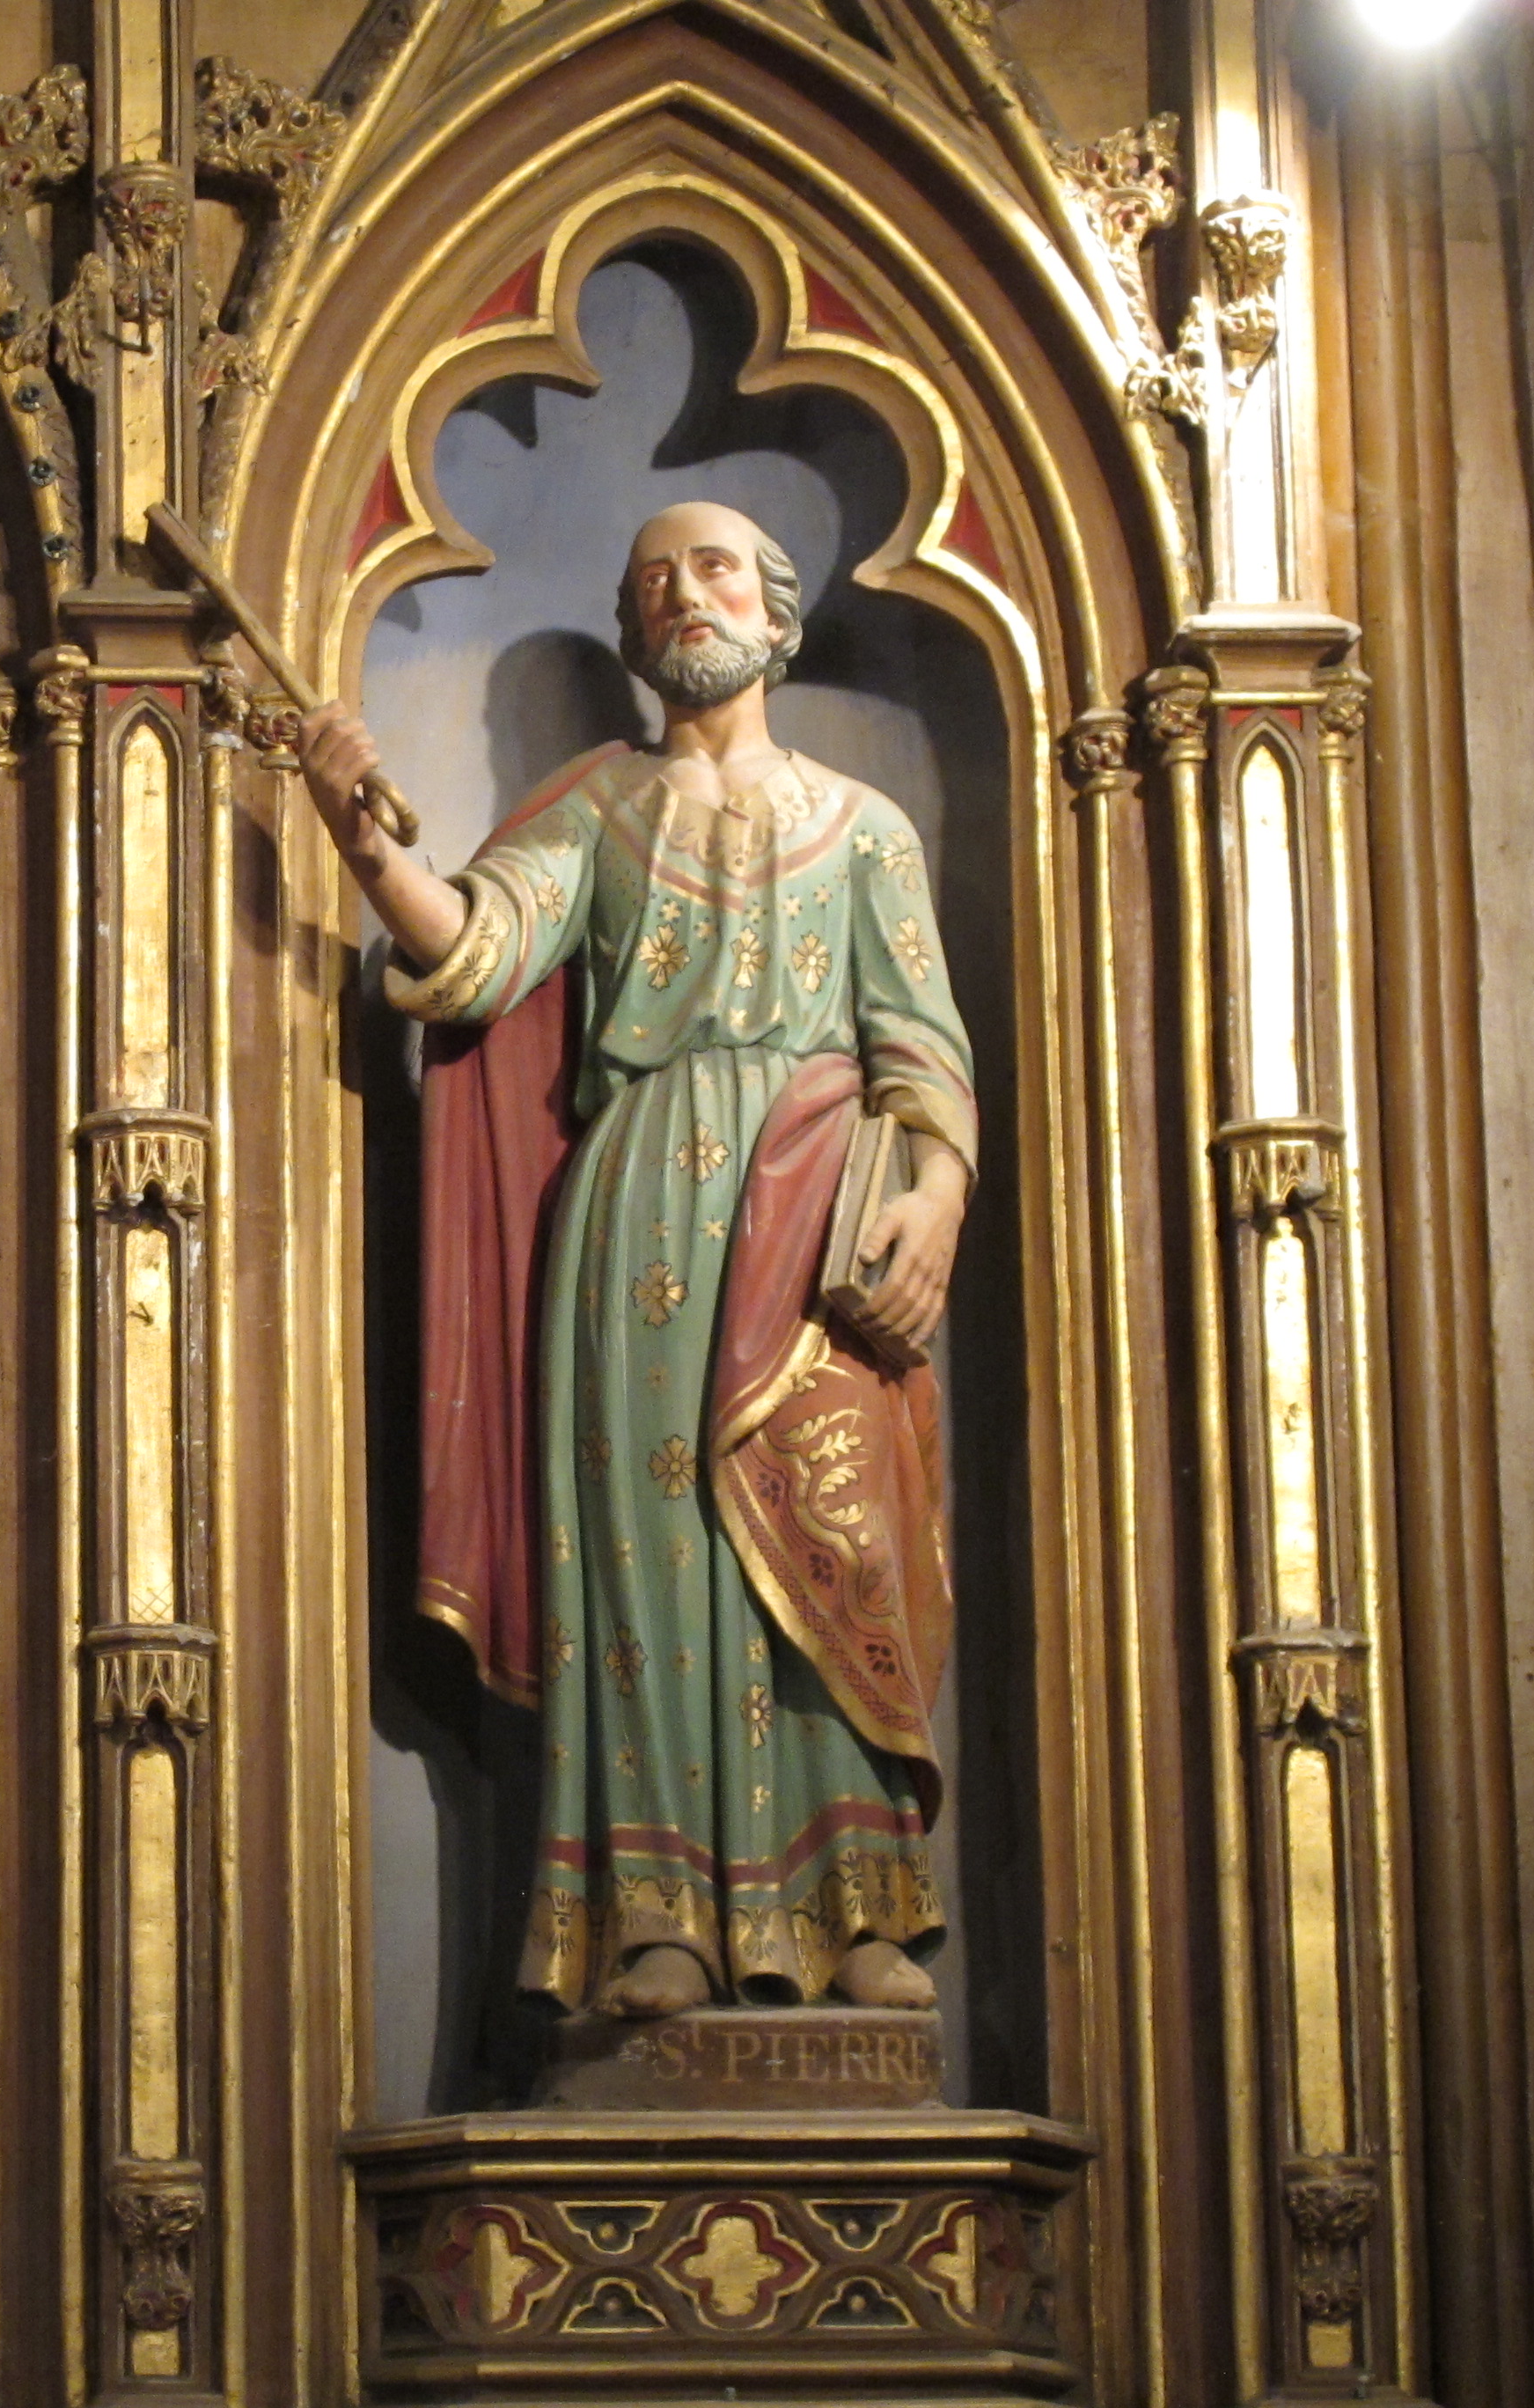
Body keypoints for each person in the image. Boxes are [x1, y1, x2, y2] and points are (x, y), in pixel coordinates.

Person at [302, 499, 973, 2015]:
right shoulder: (598, 810)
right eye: (653, 578)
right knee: (649, 1561)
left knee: (833, 1529)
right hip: (642, 1211)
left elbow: (922, 1047)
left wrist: (934, 1199)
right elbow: (475, 949)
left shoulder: (866, 829)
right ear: (633, 631)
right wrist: (367, 846)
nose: (684, 594)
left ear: (775, 614)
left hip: (819, 1211)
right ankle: (653, 1912)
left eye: (715, 566)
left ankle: (855, 1903)